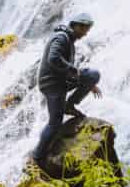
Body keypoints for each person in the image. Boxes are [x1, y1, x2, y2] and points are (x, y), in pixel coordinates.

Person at [31, 11, 102, 166]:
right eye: (84, 29)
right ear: (76, 26)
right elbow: (53, 58)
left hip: (60, 82)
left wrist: (87, 83)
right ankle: (37, 157)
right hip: (52, 85)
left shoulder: (68, 39)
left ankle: (69, 105)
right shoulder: (61, 38)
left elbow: (62, 66)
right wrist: (73, 70)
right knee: (55, 123)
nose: (85, 34)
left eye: (87, 30)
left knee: (92, 75)